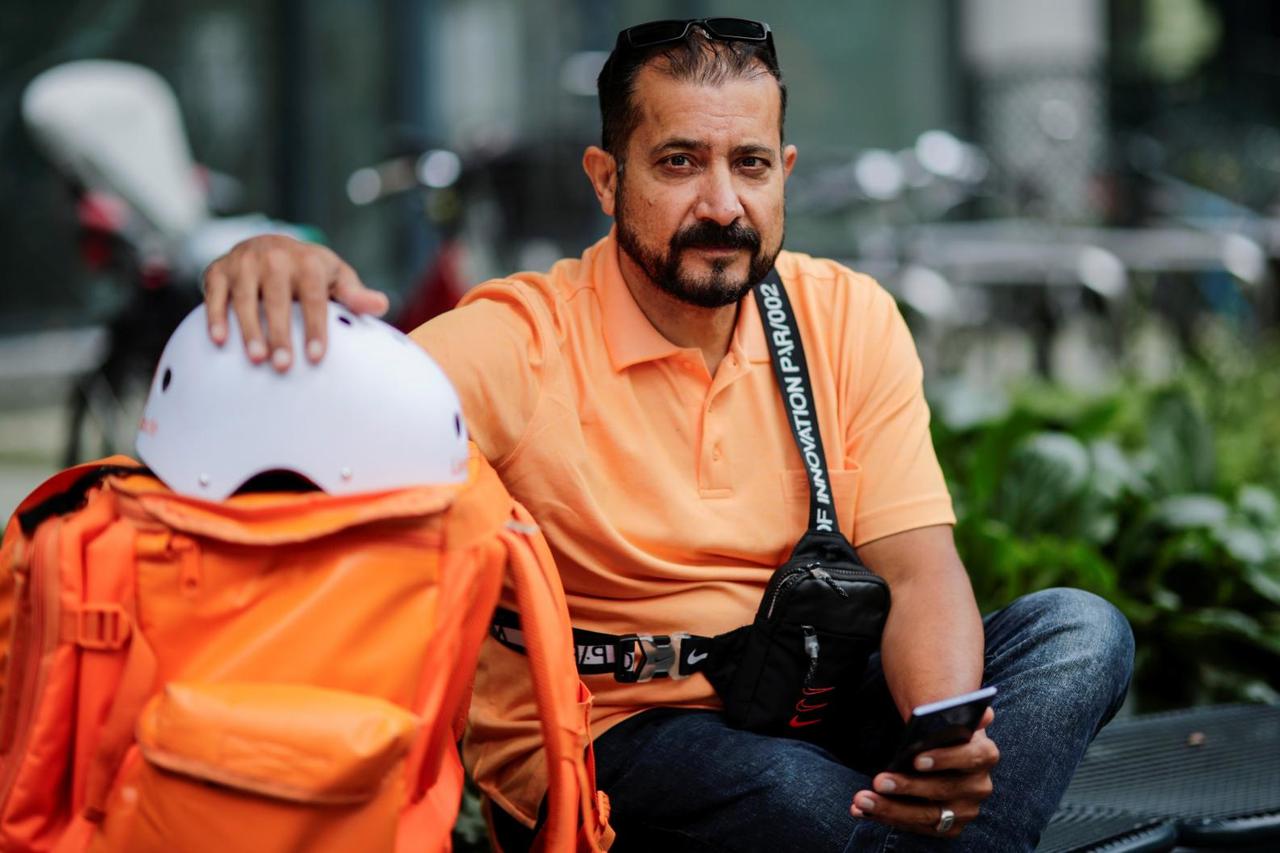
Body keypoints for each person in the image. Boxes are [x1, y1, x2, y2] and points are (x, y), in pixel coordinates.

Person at [200, 18, 1133, 852]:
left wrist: (943, 738)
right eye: (680, 162)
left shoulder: (845, 316)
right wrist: (269, 267)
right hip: (609, 735)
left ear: (784, 172)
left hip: (809, 694)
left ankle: (919, 832)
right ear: (607, 180)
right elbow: (305, 440)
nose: (723, 204)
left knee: (1080, 631)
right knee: (794, 795)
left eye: (750, 165)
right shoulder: (518, 342)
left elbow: (920, 571)